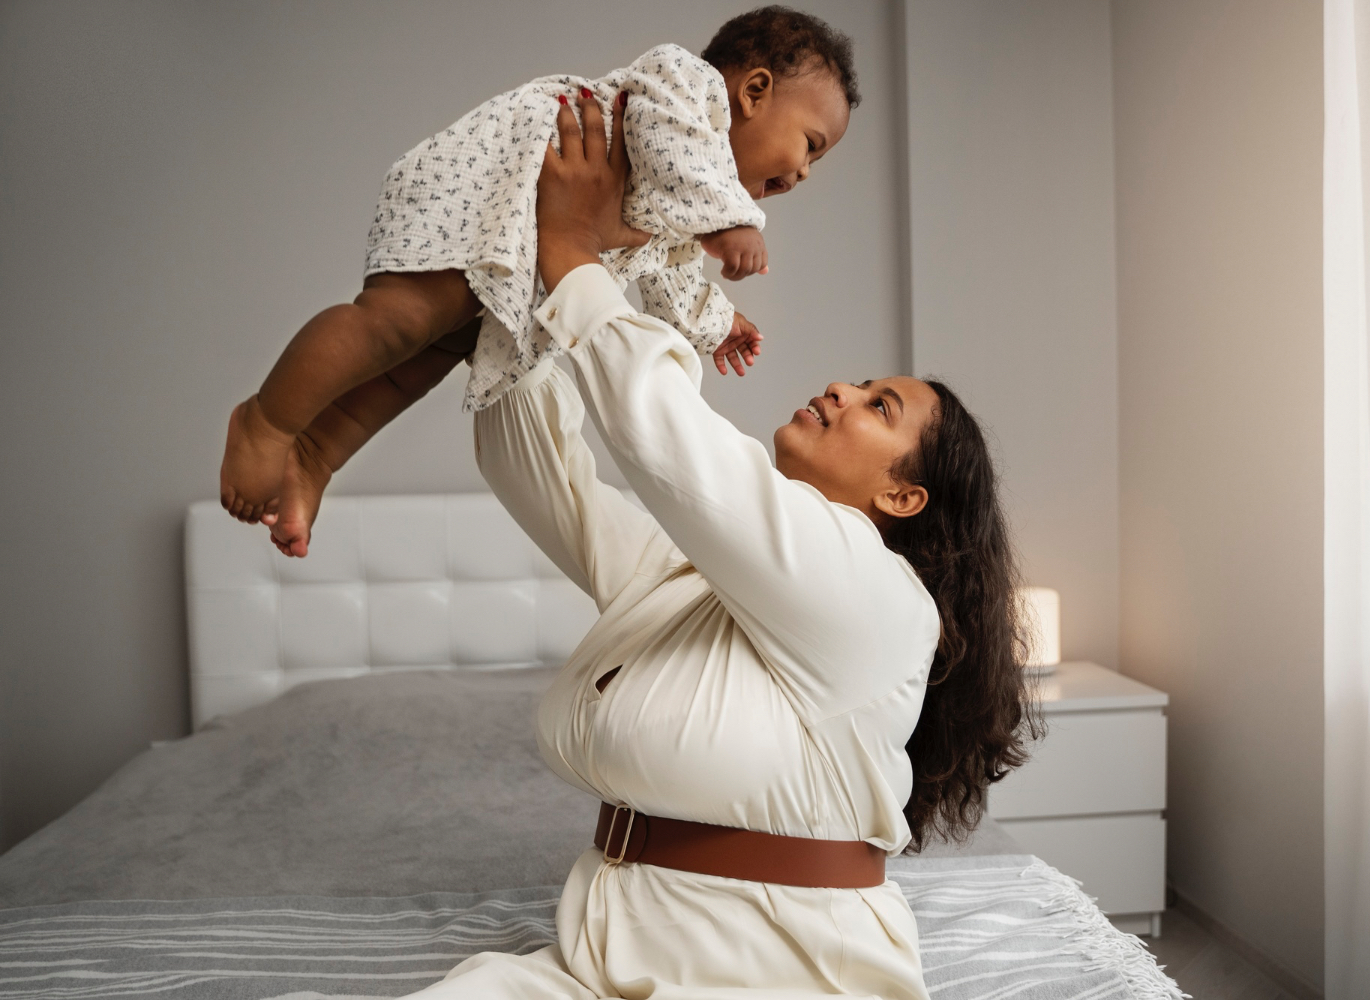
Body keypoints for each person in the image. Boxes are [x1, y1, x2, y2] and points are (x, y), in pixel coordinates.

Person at [271, 85, 1037, 998]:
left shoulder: (880, 603)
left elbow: (669, 438)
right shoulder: (688, 582)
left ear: (905, 497)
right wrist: (516, 282)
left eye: (881, 407)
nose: (840, 387)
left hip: (777, 971)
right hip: (598, 955)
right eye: (862, 380)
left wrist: (573, 254)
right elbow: (536, 469)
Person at [218, 6, 861, 560]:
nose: (805, 173)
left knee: (418, 364)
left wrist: (719, 323)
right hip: (478, 201)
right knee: (397, 322)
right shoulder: (683, 87)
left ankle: (314, 456)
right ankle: (265, 422)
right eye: (811, 144)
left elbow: (673, 279)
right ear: (752, 90)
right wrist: (731, 223)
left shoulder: (683, 213)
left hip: (508, 259)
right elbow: (674, 149)